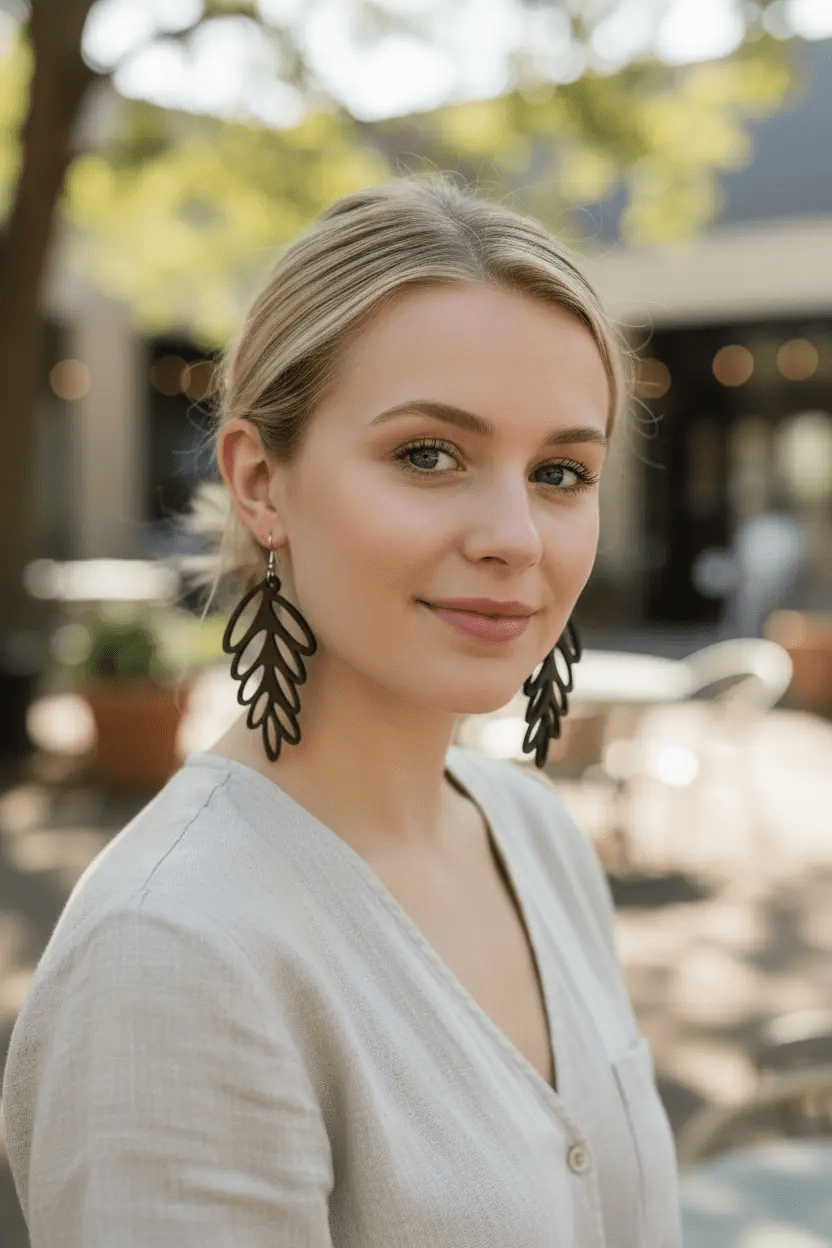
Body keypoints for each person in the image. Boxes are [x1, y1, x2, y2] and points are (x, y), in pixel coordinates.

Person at [2, 176, 682, 1247]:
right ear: (261, 483)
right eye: (428, 455)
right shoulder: (174, 953)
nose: (516, 536)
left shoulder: (536, 833)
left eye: (560, 471)